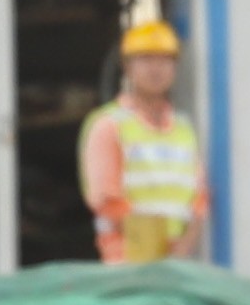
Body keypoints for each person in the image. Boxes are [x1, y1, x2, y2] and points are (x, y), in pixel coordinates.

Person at [79, 18, 207, 264]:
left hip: (176, 265)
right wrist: (152, 250)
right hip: (128, 264)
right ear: (127, 67)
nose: (156, 69)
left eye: (164, 60)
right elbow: (106, 200)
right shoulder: (108, 125)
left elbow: (198, 201)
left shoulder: (183, 128)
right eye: (146, 59)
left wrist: (180, 250)